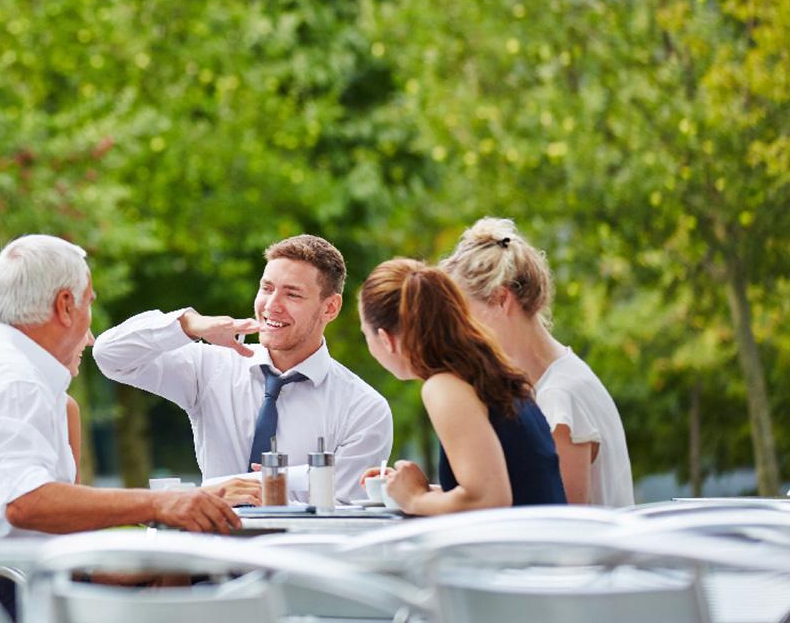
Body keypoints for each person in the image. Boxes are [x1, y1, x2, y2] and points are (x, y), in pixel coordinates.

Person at [0, 235, 241, 619]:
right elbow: (26, 503)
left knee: (171, 571)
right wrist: (161, 503)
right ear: (64, 305)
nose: (90, 332)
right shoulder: (13, 380)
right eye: (88, 303)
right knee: (192, 584)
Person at [94, 235, 392, 503]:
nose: (271, 305)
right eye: (267, 288)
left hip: (301, 561)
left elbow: (346, 515)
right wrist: (188, 324)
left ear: (330, 308)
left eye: (292, 294)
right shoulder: (211, 367)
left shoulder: (363, 408)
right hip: (213, 556)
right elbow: (110, 355)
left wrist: (276, 503)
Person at [439, 217, 634, 506]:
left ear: (501, 300)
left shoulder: (559, 397)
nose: (460, 329)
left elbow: (555, 524)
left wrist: (421, 499)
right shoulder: (556, 378)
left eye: (464, 314)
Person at [358, 258, 566, 515]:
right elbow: (510, 484)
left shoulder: (444, 387)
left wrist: (414, 500)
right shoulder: (486, 370)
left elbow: (488, 500)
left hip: (520, 551)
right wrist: (415, 489)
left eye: (365, 334)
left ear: (385, 339)